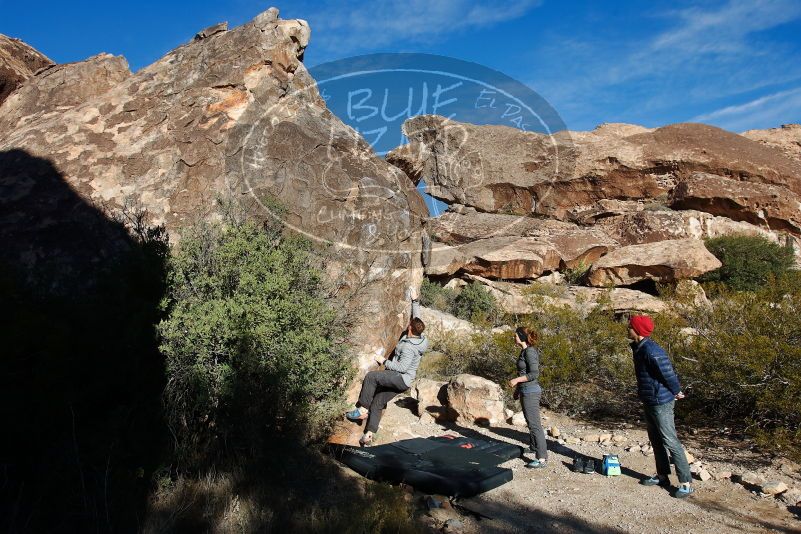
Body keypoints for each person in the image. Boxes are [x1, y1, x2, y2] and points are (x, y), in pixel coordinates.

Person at [346, 289, 428, 446]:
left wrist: (383, 360)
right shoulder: (421, 337)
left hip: (400, 378)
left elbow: (402, 367)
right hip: (405, 382)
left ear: (410, 329)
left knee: (371, 377)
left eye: (409, 325)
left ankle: (362, 410)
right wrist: (415, 301)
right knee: (377, 402)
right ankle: (368, 435)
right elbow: (417, 319)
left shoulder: (409, 347)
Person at [629, 315, 693, 498]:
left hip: (661, 401)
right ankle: (662, 475)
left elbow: (667, 372)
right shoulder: (639, 347)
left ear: (638, 330)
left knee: (670, 440)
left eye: (630, 326)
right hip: (649, 400)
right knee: (656, 440)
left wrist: (676, 390)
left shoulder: (651, 350)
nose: (628, 329)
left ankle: (686, 482)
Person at [508, 326, 548, 468]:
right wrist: (517, 391)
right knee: (529, 422)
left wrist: (516, 381)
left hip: (531, 392)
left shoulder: (530, 352)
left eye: (515, 336)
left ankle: (542, 458)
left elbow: (534, 374)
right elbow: (523, 372)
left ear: (521, 337)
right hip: (525, 391)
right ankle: (533, 447)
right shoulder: (524, 351)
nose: (514, 338)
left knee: (535, 425)